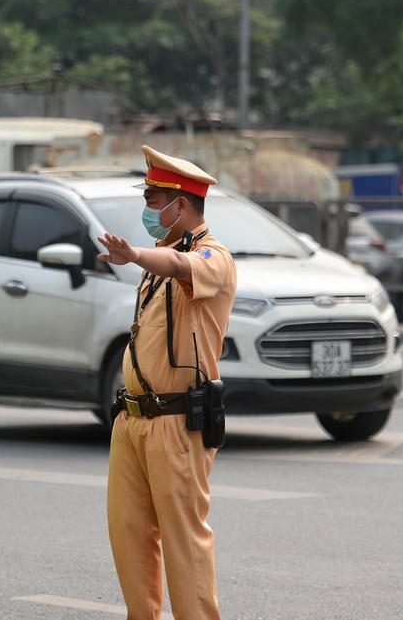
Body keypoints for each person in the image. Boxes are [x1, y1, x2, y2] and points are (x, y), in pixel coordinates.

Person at [96, 145, 237, 620]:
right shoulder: (159, 257)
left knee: (184, 540)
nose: (150, 209)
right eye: (149, 199)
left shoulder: (213, 257)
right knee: (129, 534)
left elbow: (182, 269)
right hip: (134, 418)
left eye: (156, 200)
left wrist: (133, 255)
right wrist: (144, 256)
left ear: (182, 205)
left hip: (179, 420)